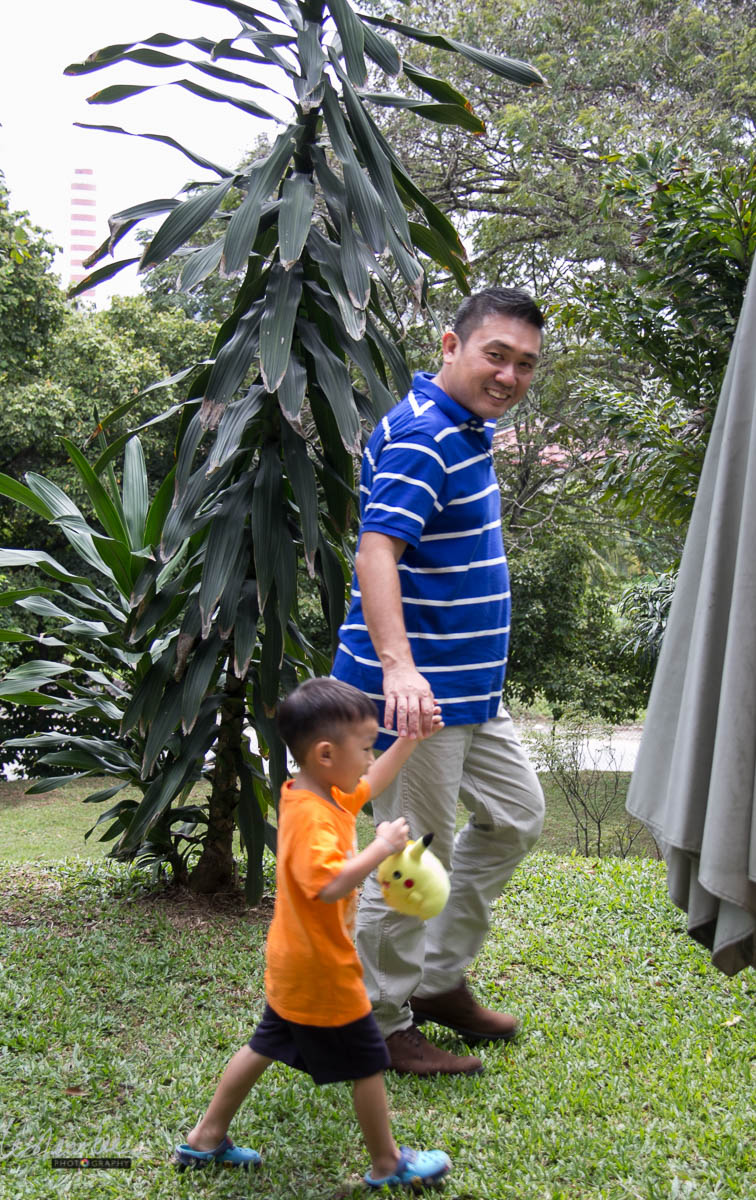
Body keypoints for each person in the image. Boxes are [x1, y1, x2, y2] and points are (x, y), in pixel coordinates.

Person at [332, 286, 547, 1077]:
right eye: (497, 355)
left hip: (468, 692)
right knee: (411, 861)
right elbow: (375, 552)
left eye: (525, 364)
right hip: (414, 698)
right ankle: (383, 1020)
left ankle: (435, 979)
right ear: (451, 346)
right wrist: (399, 667)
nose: (509, 375)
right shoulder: (426, 436)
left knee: (516, 818)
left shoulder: (464, 428)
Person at [173, 677, 452, 1190]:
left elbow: (372, 783)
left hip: (297, 963)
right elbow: (327, 885)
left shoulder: (321, 793)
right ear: (326, 754)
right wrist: (382, 848)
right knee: (368, 1062)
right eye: (364, 748)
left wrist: (409, 741)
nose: (370, 759)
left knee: (263, 1045)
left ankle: (205, 1138)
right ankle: (387, 1164)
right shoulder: (311, 819)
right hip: (324, 970)